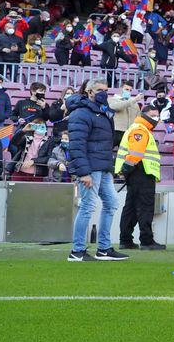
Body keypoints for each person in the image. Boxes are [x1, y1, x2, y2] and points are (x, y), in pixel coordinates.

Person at [67, 80, 128, 261]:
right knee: (88, 206)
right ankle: (77, 251)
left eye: (106, 90)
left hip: (103, 167)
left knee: (111, 203)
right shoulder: (81, 113)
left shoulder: (102, 112)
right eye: (100, 90)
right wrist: (83, 172)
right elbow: (77, 145)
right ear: (89, 92)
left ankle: (104, 248)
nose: (104, 93)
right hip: (90, 168)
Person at [115, 101, 165, 250]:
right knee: (145, 207)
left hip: (135, 172)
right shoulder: (141, 130)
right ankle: (146, 240)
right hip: (141, 172)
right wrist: (128, 169)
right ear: (144, 115)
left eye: (157, 116)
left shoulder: (137, 128)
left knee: (130, 207)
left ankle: (125, 240)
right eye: (153, 115)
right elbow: (136, 153)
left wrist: (126, 171)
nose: (156, 118)